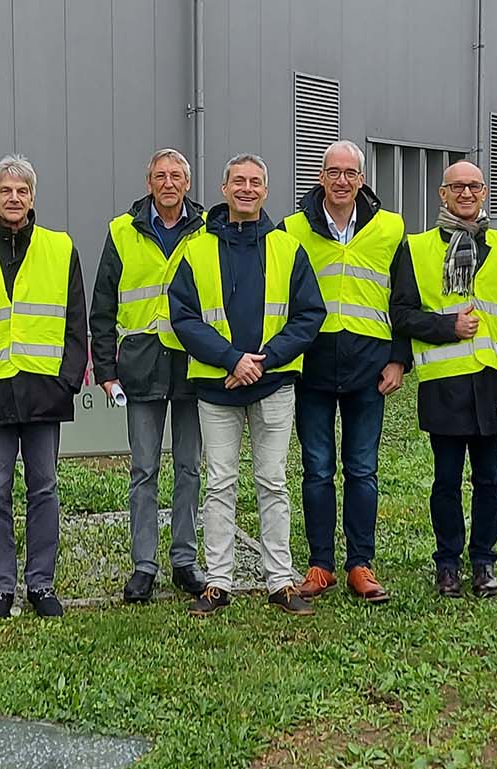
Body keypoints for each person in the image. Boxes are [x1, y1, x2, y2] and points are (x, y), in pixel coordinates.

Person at [170, 153, 326, 617]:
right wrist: (231, 360)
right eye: (238, 181)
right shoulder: (195, 249)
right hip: (217, 387)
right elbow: (183, 318)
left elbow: (308, 315)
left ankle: (280, 579)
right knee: (219, 484)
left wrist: (265, 361)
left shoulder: (287, 248)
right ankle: (218, 581)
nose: (246, 189)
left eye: (255, 182)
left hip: (274, 384)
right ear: (223, 189)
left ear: (265, 190)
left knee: (272, 482)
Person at [0, 154, 88, 620]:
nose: (14, 198)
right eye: (5, 190)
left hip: (45, 393)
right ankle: (1, 587)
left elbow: (75, 325)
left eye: (22, 191)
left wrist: (67, 381)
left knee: (45, 489)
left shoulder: (60, 248)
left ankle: (41, 584)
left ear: (32, 198)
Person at [283, 140, 409, 604]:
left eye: (349, 173)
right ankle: (320, 565)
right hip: (312, 365)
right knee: (316, 470)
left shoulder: (389, 228)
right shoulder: (293, 228)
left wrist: (399, 358)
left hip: (369, 367)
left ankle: (361, 564)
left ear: (362, 178)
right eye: (332, 172)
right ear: (320, 177)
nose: (341, 181)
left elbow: (404, 298)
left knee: (362, 469)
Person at [390, 161, 497, 598]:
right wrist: (448, 327)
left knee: (489, 480)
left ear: (484, 193)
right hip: (444, 384)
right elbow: (402, 314)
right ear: (442, 194)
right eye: (457, 187)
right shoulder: (418, 247)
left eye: (474, 186)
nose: (466, 193)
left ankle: (483, 561)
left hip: (490, 382)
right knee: (446, 481)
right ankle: (447, 564)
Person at [91, 148, 211, 603]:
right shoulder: (122, 231)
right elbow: (102, 307)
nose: (168, 183)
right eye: (160, 176)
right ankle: (144, 565)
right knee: (143, 470)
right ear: (149, 184)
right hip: (140, 364)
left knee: (189, 468)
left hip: (192, 364)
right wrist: (105, 368)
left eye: (176, 175)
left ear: (187, 183)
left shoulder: (205, 230)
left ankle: (184, 560)